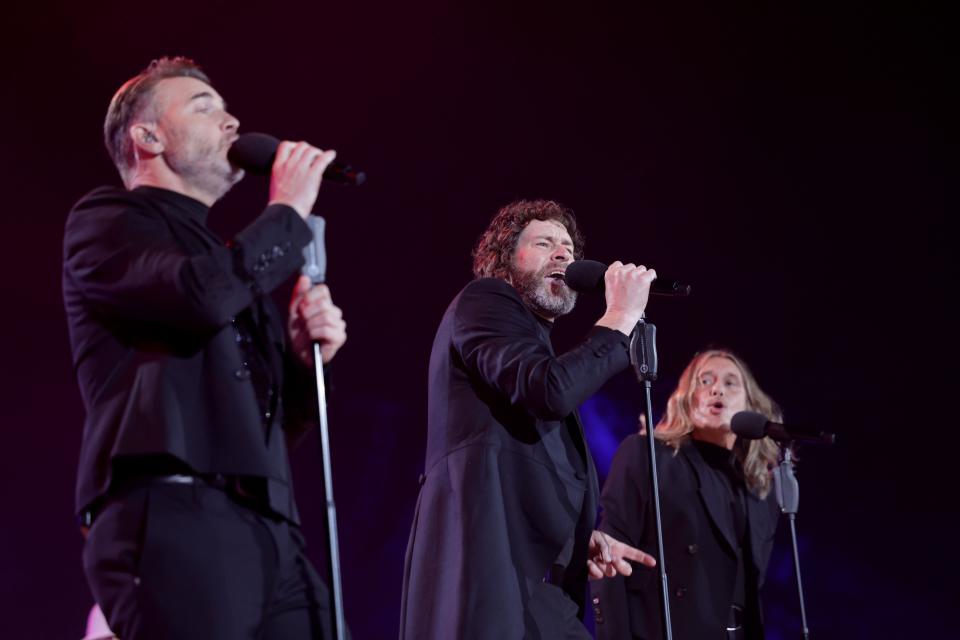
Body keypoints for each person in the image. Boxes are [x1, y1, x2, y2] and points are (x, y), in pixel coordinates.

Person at [62, 57, 347, 639]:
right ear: (148, 137)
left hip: (270, 530)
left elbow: (268, 430)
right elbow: (197, 297)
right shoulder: (106, 221)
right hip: (175, 517)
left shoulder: (222, 261)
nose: (231, 120)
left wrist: (297, 360)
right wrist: (287, 210)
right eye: (203, 107)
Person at [400, 199, 659, 639]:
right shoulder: (485, 298)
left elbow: (526, 446)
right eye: (544, 243)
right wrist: (619, 319)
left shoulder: (533, 350)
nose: (563, 254)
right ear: (503, 260)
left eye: (568, 249)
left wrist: (578, 542)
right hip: (487, 573)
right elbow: (549, 391)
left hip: (534, 582)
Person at [593, 349, 783, 640]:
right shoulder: (648, 456)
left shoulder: (760, 490)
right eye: (704, 381)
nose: (717, 388)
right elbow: (610, 558)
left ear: (751, 404)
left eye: (731, 383)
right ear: (686, 399)